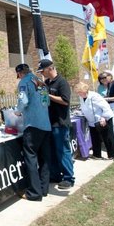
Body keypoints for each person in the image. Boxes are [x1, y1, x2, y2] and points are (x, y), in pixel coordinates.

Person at [14, 63, 52, 201]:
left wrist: (17, 112)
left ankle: (34, 193)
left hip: (33, 124)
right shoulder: (40, 81)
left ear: (19, 74)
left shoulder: (24, 82)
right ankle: (43, 189)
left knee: (30, 157)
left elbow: (23, 101)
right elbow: (46, 101)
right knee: (44, 159)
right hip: (45, 125)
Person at [37, 59, 75, 189]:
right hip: (49, 123)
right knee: (52, 151)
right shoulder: (47, 82)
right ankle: (55, 175)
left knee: (63, 151)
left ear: (50, 68)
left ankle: (69, 178)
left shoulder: (62, 82)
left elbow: (65, 101)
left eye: (42, 70)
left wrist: (48, 95)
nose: (42, 73)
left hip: (60, 123)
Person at [73, 81, 114, 160]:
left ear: (84, 91)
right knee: (95, 138)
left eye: (79, 92)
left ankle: (112, 155)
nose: (78, 94)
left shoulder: (94, 96)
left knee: (108, 138)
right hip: (92, 121)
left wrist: (104, 117)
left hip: (103, 118)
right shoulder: (81, 97)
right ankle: (97, 155)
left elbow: (105, 106)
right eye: (77, 92)